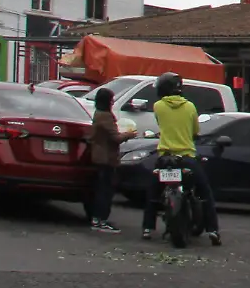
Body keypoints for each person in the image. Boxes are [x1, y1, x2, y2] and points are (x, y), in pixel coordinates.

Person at [139, 73, 220, 245]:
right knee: (205, 192)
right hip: (187, 158)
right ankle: (213, 231)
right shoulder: (190, 107)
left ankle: (147, 228)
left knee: (153, 193)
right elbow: (195, 131)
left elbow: (162, 125)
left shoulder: (158, 106)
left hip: (165, 159)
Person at [86, 87, 123, 233]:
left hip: (99, 156)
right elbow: (116, 138)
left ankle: (97, 219)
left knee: (101, 189)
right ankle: (101, 220)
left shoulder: (98, 114)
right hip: (107, 158)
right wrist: (129, 135)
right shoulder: (106, 116)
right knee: (106, 190)